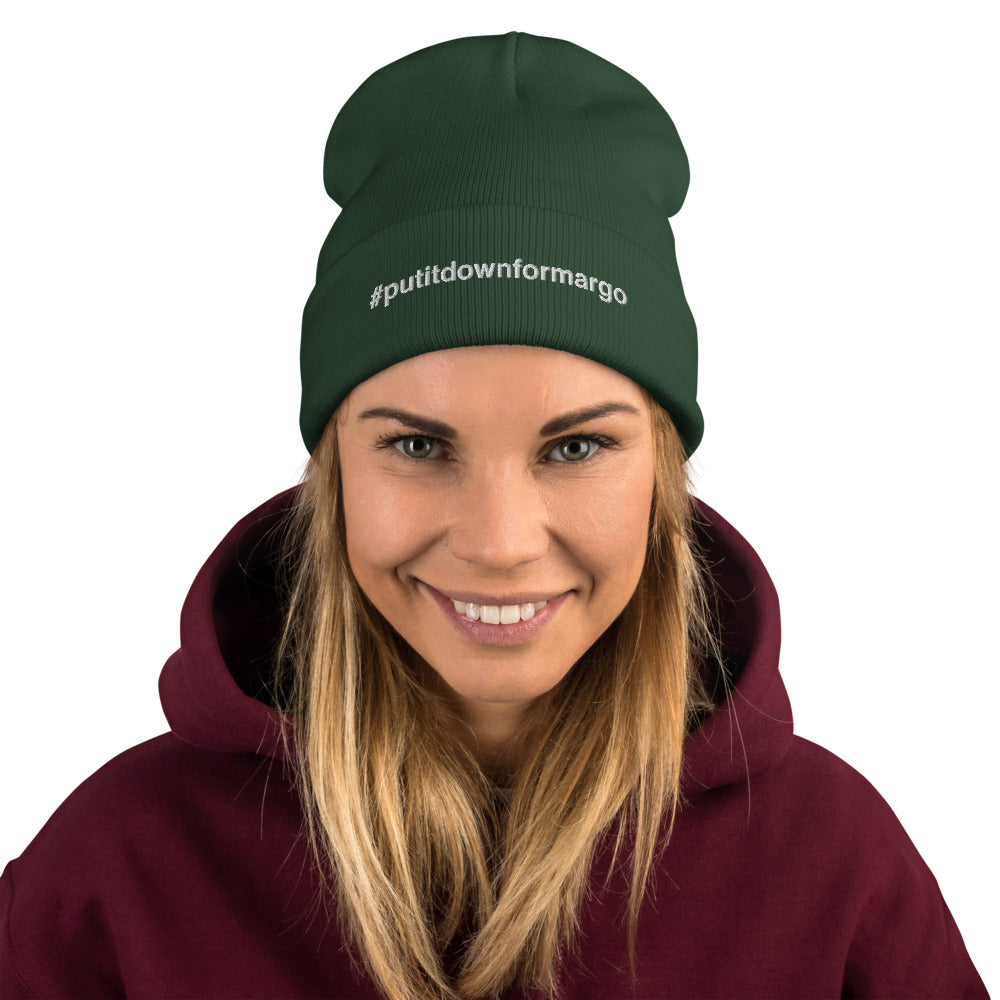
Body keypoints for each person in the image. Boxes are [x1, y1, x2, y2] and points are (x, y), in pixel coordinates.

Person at [0, 30, 988, 1000]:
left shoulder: (831, 863)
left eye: (575, 447)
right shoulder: (118, 867)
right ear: (333, 471)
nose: (500, 543)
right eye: (417, 446)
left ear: (662, 473)